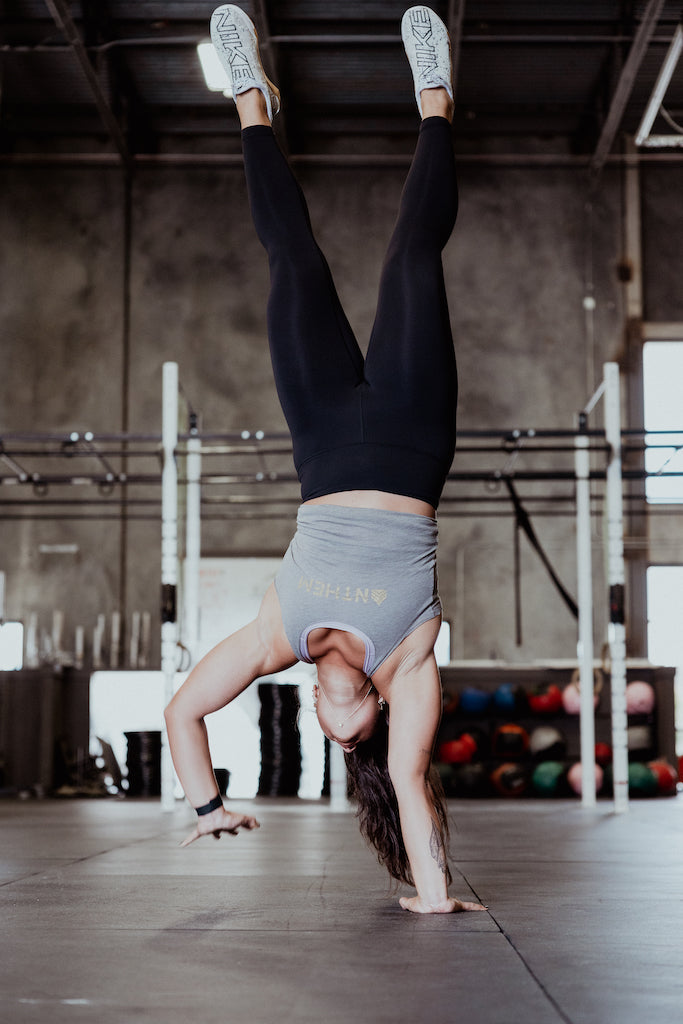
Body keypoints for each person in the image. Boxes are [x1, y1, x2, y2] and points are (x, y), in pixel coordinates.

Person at [165, 4, 486, 915]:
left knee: (289, 261)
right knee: (411, 258)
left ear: (315, 709)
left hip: (317, 441)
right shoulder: (409, 667)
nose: (340, 725)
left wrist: (209, 803)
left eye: (329, 727)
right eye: (357, 738)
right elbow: (414, 789)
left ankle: (248, 99)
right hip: (413, 441)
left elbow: (184, 713)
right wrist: (431, 895)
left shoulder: (277, 636)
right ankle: (433, 94)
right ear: (373, 719)